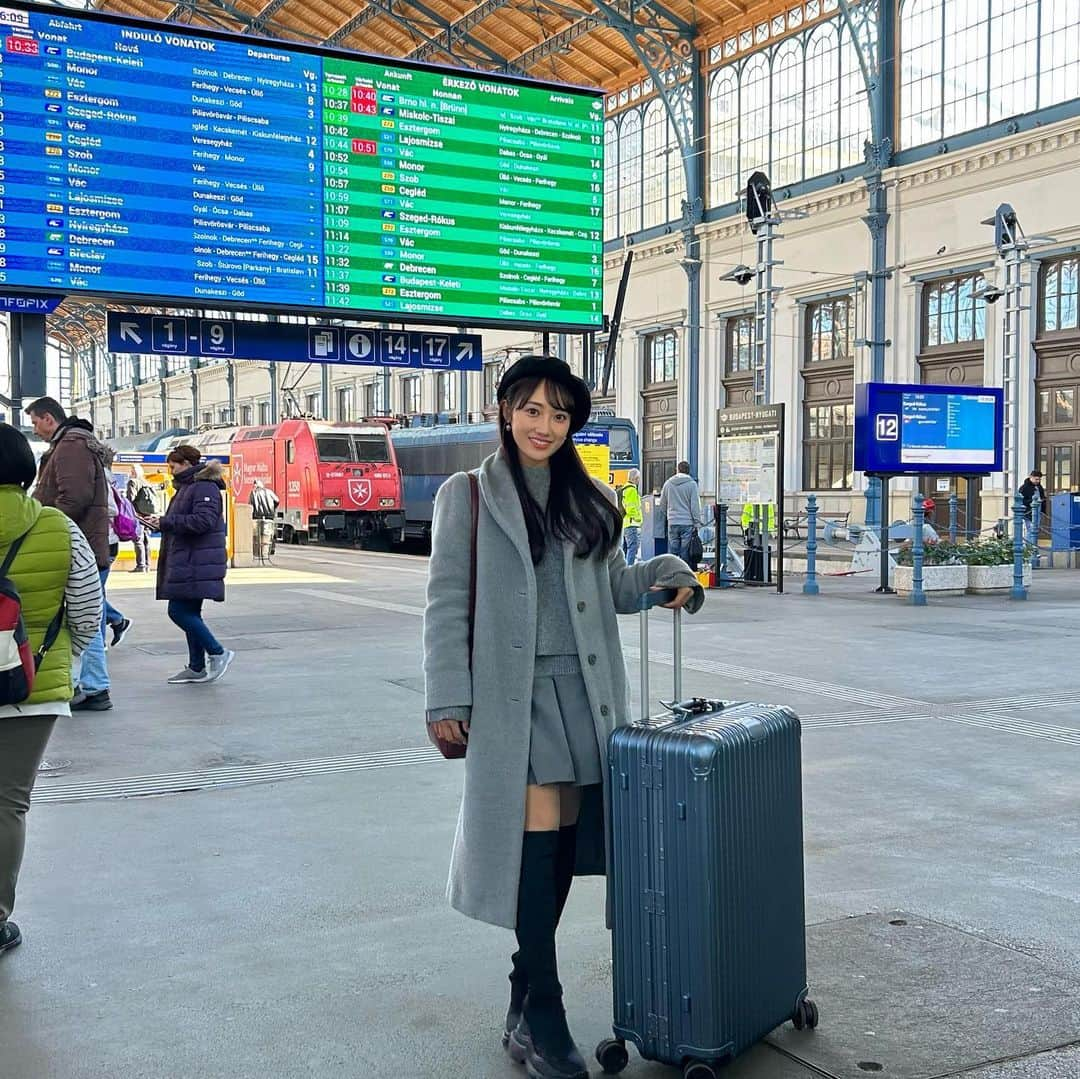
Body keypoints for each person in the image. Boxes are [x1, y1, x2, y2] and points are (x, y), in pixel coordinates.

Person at [423, 355, 704, 1079]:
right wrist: (446, 697)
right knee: (534, 848)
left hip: (588, 694)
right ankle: (544, 1011)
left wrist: (666, 577)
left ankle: (522, 993)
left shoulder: (593, 499)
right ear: (507, 410)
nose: (544, 425)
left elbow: (611, 586)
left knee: (561, 857)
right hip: (516, 701)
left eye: (558, 413)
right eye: (532, 409)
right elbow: (447, 602)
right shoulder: (470, 496)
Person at [0, 424, 103, 954]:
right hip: (30, 686)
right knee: (8, 802)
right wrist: (56, 657)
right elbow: (88, 611)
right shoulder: (59, 528)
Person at [25, 396, 113, 711]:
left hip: (78, 548)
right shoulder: (71, 444)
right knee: (89, 615)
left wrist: (41, 529)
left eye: (35, 422)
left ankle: (94, 686)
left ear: (49, 418)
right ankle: (90, 684)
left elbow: (74, 498)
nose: (35, 429)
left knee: (83, 617)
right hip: (84, 545)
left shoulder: (71, 446)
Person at [143, 446, 233, 685]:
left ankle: (217, 652)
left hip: (197, 561)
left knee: (179, 611)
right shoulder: (188, 487)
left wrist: (166, 522)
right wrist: (162, 522)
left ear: (186, 464)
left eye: (173, 466)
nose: (170, 472)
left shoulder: (203, 486)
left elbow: (203, 520)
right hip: (191, 559)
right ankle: (196, 667)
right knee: (190, 612)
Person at [658, 460, 703, 563]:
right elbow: (695, 506)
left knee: (673, 551)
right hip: (687, 522)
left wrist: (669, 515)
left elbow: (662, 504)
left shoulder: (668, 483)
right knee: (685, 552)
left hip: (672, 521)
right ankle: (683, 574)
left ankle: (671, 573)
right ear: (688, 471)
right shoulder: (692, 484)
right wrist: (697, 522)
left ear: (677, 470)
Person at [126, 463, 155, 572]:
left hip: (138, 514)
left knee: (138, 540)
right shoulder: (147, 482)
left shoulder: (132, 482)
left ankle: (140, 565)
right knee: (147, 540)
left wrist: (130, 513)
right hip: (148, 514)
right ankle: (147, 565)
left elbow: (130, 499)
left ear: (133, 472)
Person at [249, 478, 280, 559]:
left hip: (256, 518)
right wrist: (272, 509)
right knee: (266, 536)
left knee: (257, 537)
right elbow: (277, 500)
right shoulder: (269, 492)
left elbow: (250, 505)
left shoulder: (253, 493)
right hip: (269, 518)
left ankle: (257, 554)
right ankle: (265, 554)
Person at [619, 468, 642, 565]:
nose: (639, 481)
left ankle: (623, 567)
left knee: (626, 548)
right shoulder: (631, 490)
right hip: (632, 523)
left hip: (626, 523)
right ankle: (629, 568)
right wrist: (638, 518)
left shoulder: (625, 489)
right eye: (638, 478)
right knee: (632, 548)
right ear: (635, 478)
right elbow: (631, 507)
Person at [1020, 469, 1047, 542]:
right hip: (1029, 512)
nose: (1038, 481)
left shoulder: (1039, 487)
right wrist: (1033, 501)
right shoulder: (1024, 487)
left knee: (1035, 530)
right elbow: (1021, 501)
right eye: (1036, 479)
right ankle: (1029, 548)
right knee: (1031, 530)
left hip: (1038, 511)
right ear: (1031, 477)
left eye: (1039, 479)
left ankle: (1032, 547)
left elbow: (1042, 497)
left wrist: (1043, 510)